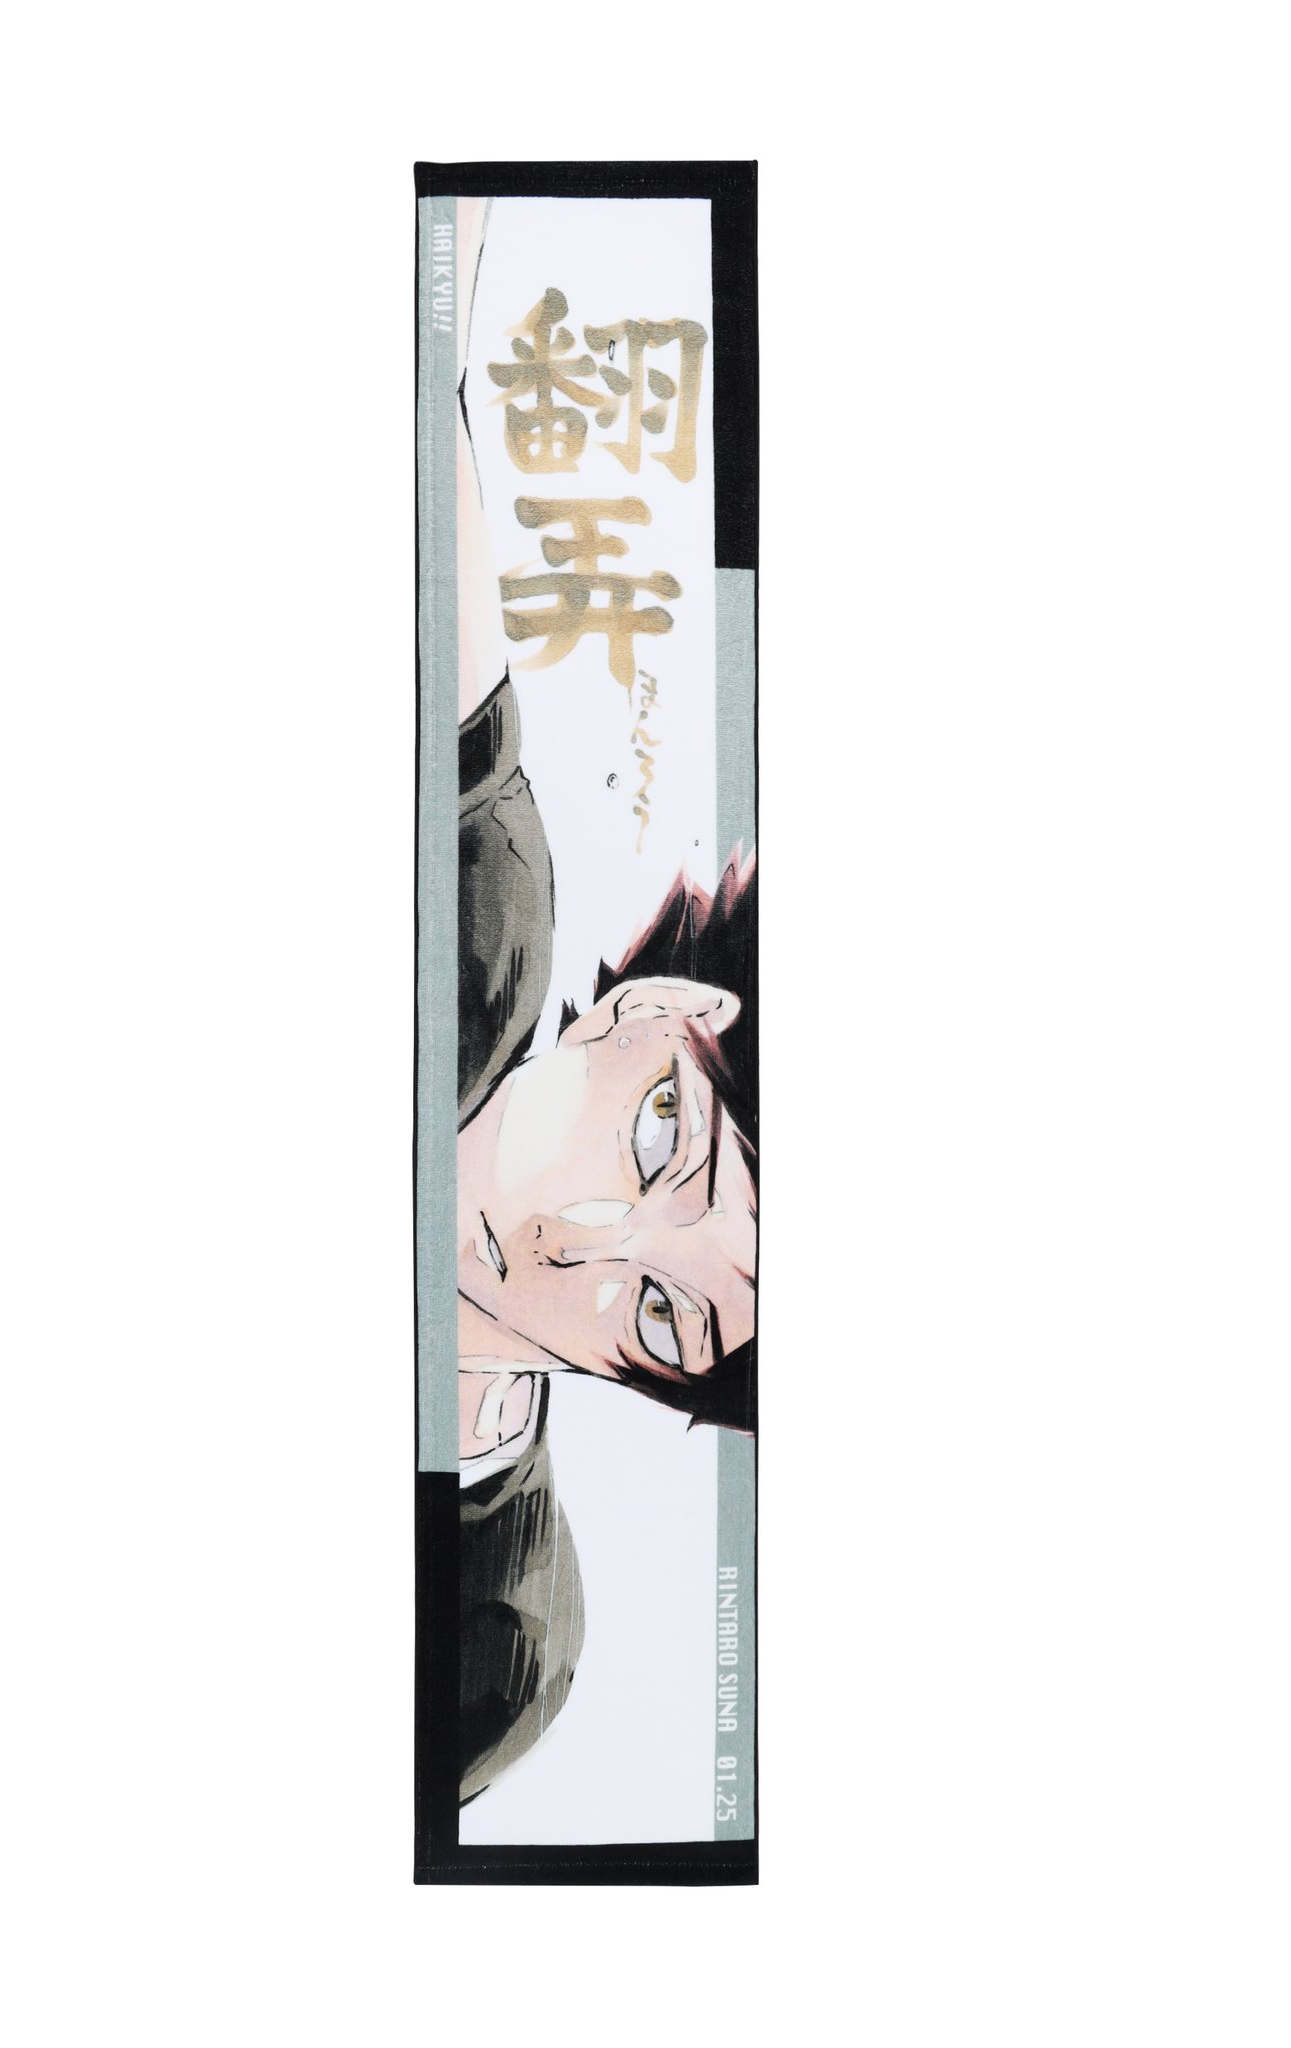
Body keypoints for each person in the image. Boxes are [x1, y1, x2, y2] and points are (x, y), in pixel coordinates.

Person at [444, 210, 755, 1801]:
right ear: (659, 1008)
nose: (572, 1245)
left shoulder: (498, 1636)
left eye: (659, 1317)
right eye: (656, 1142)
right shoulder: (473, 895)